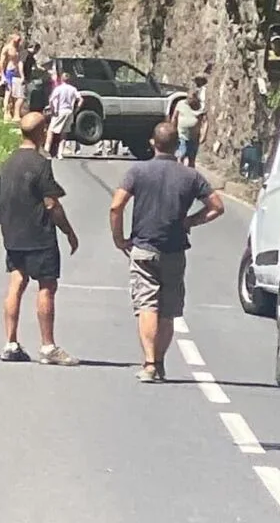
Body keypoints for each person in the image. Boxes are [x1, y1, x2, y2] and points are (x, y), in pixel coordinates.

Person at [110, 121, 224, 383]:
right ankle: (159, 362)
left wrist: (119, 239)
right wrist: (190, 221)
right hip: (175, 251)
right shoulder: (191, 176)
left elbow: (116, 206)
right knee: (167, 310)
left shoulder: (137, 171)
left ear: (153, 143)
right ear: (177, 145)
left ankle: (149, 363)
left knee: (147, 305)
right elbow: (217, 207)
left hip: (144, 248)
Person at [0, 112, 80, 365]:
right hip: (38, 234)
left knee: (17, 282)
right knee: (47, 286)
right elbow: (51, 203)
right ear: (41, 132)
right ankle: (48, 347)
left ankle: (10, 343)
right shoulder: (40, 164)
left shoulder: (9, 162)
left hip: (13, 233)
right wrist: (68, 231)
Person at [44, 72, 83, 159]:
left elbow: (51, 100)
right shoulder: (73, 89)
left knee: (51, 131)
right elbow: (80, 99)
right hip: (69, 111)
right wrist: (76, 109)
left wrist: (53, 109)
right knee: (64, 133)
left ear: (61, 79)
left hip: (60, 111)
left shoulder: (58, 89)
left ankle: (47, 151)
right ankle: (60, 153)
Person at [172, 91, 203, 168]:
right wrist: (173, 130)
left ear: (195, 99)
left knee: (192, 158)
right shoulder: (181, 104)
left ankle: (191, 173)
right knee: (180, 156)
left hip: (194, 138)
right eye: (187, 98)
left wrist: (203, 135)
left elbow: (205, 121)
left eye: (190, 99)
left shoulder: (200, 107)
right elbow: (174, 117)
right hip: (181, 136)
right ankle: (179, 171)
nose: (188, 100)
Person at [0, 33, 23, 122]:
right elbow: (1, 62)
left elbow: (20, 61)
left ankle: (14, 113)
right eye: (17, 40)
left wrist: (22, 74)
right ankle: (6, 112)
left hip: (17, 73)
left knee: (16, 94)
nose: (19, 42)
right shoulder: (7, 48)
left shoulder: (18, 48)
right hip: (9, 72)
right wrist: (3, 75)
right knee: (8, 93)